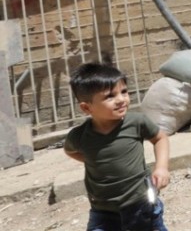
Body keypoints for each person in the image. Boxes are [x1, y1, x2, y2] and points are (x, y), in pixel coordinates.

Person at [64, 63, 171, 231]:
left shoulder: (136, 122)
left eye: (124, 92)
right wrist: (93, 159)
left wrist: (162, 168)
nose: (121, 99)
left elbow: (160, 138)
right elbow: (70, 150)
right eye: (110, 96)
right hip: (102, 211)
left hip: (141, 204)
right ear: (86, 107)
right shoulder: (79, 136)